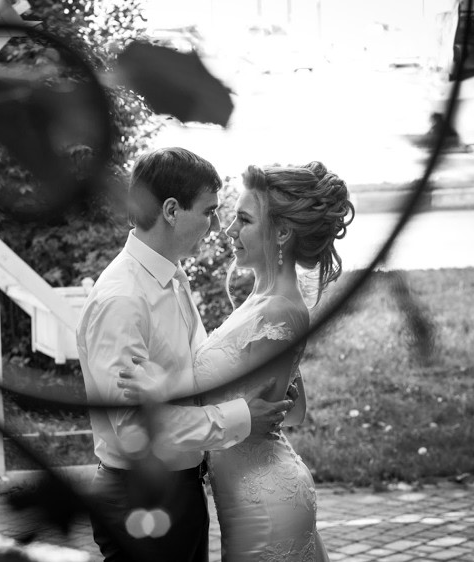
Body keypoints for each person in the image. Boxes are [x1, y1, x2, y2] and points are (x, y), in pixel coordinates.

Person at [119, 161, 355, 561]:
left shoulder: (280, 311)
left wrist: (160, 390)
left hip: (264, 500)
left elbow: (248, 412)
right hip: (244, 492)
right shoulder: (261, 300)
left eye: (243, 220)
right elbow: (291, 411)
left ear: (282, 233)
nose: (228, 230)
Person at [76, 147, 295, 562]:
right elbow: (133, 429)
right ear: (172, 211)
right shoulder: (123, 299)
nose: (218, 226)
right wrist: (242, 418)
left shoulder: (171, 278)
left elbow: (188, 377)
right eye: (209, 211)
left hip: (181, 492)